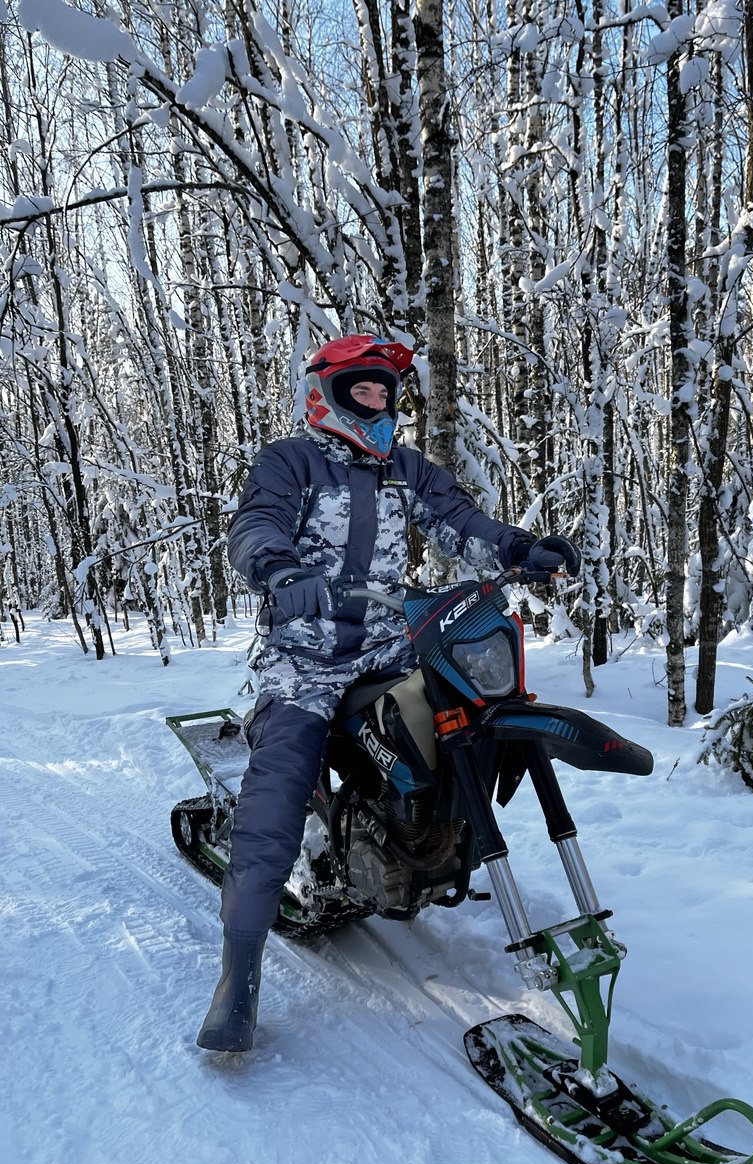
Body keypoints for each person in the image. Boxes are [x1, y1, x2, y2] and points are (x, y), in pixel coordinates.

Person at [197, 334, 581, 1051]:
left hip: (387, 643)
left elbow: (461, 523)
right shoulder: (290, 461)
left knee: (464, 719)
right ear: (327, 395)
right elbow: (255, 525)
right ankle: (237, 973)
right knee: (278, 790)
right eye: (362, 391)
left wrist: (521, 550)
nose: (376, 403)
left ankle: (426, 840)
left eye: (384, 393)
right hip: (306, 657)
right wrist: (279, 569)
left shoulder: (406, 470)